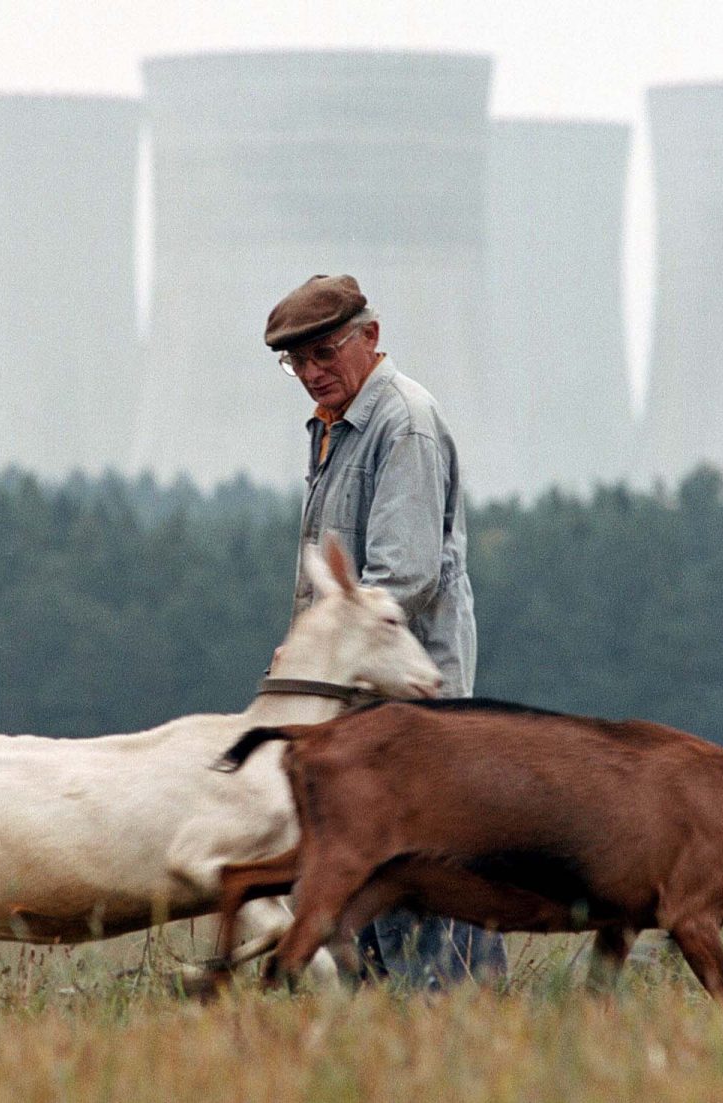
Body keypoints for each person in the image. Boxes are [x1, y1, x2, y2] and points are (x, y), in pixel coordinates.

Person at [265, 273, 506, 987]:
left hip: (411, 710)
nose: (312, 372)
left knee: (425, 876)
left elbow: (403, 577)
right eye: (296, 361)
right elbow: (334, 575)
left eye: (325, 352)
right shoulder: (333, 426)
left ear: (370, 336)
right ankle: (397, 1037)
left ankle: (469, 1026)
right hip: (358, 713)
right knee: (368, 881)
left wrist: (315, 649)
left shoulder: (404, 423)